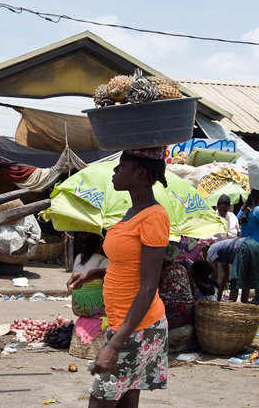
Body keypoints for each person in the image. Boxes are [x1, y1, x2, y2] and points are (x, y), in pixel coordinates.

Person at [67, 146, 170, 407]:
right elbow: (128, 263)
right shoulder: (131, 212)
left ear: (141, 173)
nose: (115, 170)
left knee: (100, 402)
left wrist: (114, 345)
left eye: (122, 166)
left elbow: (148, 286)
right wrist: (96, 272)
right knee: (126, 401)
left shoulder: (154, 217)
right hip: (123, 322)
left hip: (138, 327)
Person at [206, 237, 259, 305]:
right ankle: (243, 307)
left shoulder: (211, 251)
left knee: (235, 282)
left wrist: (210, 291)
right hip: (254, 245)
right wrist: (220, 292)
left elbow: (214, 275)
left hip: (243, 247)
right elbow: (226, 274)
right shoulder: (221, 250)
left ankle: (231, 308)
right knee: (246, 282)